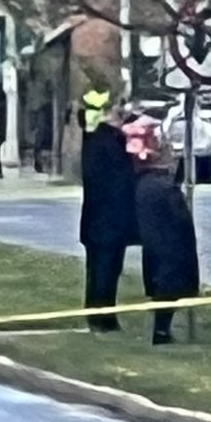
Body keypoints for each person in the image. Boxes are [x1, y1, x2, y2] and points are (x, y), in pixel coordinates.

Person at [76, 89, 137, 332]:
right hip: (107, 220)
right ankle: (102, 318)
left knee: (102, 269)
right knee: (105, 270)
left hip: (98, 220)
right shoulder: (106, 140)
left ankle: (99, 314)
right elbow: (120, 176)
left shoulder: (94, 138)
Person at [133, 131, 200, 345]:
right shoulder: (163, 187)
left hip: (156, 243)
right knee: (169, 288)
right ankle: (161, 332)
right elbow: (179, 216)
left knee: (164, 287)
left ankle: (162, 330)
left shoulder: (145, 183)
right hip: (171, 245)